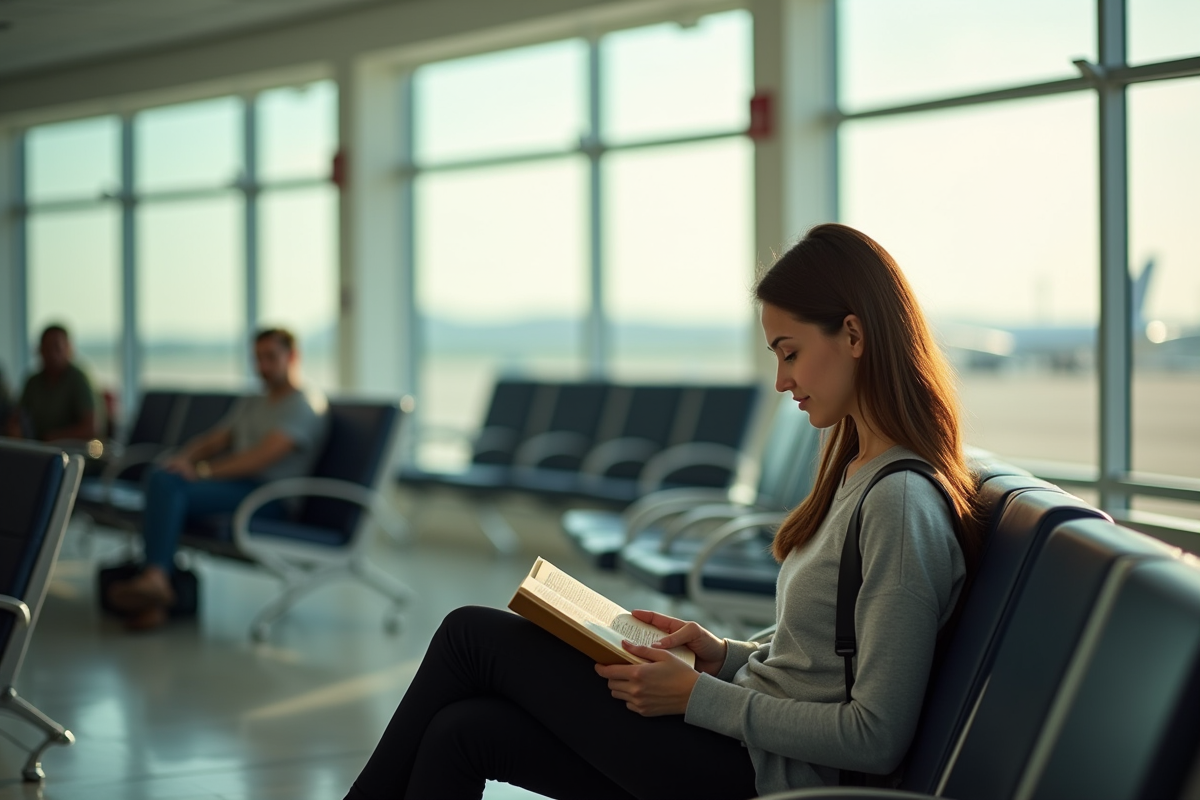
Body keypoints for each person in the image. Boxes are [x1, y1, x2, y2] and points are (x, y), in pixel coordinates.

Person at [344, 224, 983, 800]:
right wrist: (721, 655)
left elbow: (875, 737)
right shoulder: (855, 472)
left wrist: (701, 699)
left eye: (789, 352)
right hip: (746, 743)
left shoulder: (899, 503)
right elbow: (817, 663)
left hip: (766, 774)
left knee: (469, 636)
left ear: (853, 334)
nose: (782, 380)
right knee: (465, 731)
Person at [106, 327, 329, 631]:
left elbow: (261, 457)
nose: (262, 366)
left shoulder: (305, 405)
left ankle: (155, 582)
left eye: (270, 357)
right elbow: (216, 439)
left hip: (269, 499)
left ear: (293, 356)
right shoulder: (256, 400)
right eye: (257, 358)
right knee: (164, 477)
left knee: (168, 488)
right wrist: (183, 458)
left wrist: (202, 472)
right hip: (239, 489)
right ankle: (154, 594)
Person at [6, 324, 98, 441]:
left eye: (57, 347)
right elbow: (18, 416)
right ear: (40, 350)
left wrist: (54, 438)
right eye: (47, 348)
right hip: (38, 449)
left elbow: (91, 428)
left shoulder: (78, 380)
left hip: (72, 452)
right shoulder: (33, 382)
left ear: (68, 349)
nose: (52, 354)